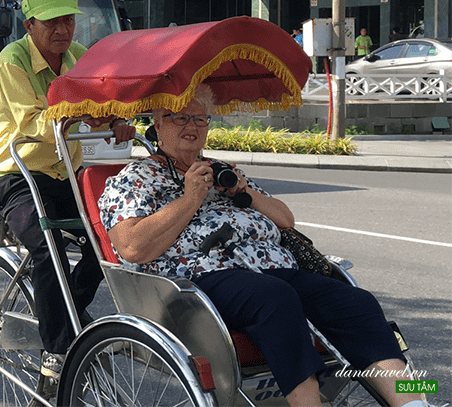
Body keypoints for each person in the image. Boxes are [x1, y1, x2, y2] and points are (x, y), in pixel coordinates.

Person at [99, 84, 417, 407]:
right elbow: (132, 247)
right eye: (180, 118)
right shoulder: (137, 177)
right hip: (199, 278)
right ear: (158, 125)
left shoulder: (220, 170)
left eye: (200, 118)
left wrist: (245, 193)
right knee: (275, 299)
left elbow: (286, 219)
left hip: (271, 269)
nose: (192, 126)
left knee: (356, 303)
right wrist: (190, 198)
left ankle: (412, 403)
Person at [0, 0, 135, 399]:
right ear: (30, 25)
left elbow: (102, 102)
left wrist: (116, 120)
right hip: (15, 173)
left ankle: (68, 317)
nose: (62, 29)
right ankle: (56, 353)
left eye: (68, 20)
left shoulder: (79, 58)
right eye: (51, 22)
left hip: (65, 172)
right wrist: (82, 117)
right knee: (47, 248)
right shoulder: (12, 59)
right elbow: (34, 122)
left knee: (110, 240)